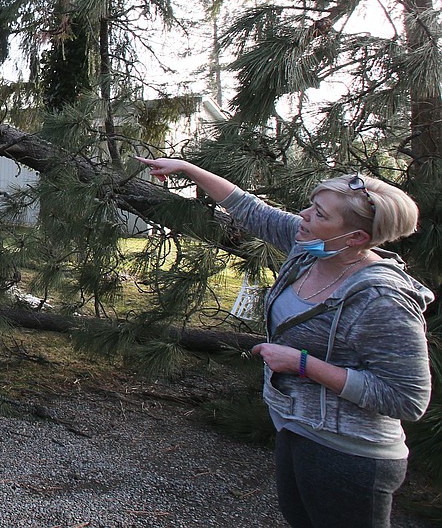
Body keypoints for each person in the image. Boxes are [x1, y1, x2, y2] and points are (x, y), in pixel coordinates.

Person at [135, 156, 433, 528]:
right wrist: (187, 169)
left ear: (356, 238)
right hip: (297, 431)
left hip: (351, 454)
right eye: (311, 205)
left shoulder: (382, 299)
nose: (304, 216)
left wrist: (303, 364)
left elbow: (408, 399)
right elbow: (250, 208)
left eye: (320, 214)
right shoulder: (308, 250)